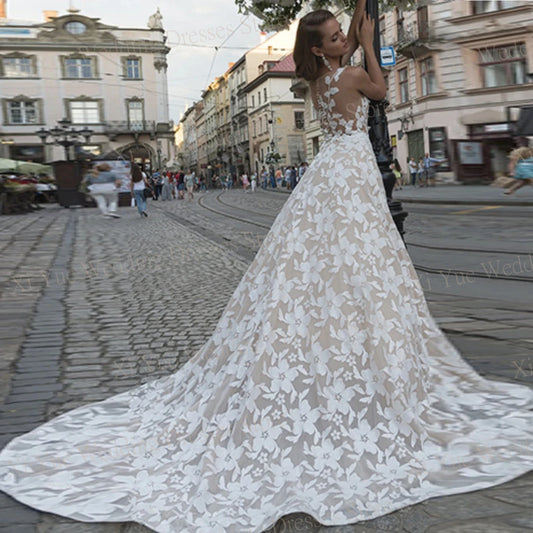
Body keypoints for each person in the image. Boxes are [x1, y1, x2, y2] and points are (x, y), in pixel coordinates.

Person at [1, 6, 532, 533]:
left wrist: (357, 33)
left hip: (332, 172)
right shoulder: (348, 71)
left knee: (329, 260)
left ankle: (344, 338)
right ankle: (365, 347)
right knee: (361, 256)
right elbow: (382, 93)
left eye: (341, 35)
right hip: (349, 173)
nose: (343, 40)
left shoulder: (315, 81)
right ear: (323, 48)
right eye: (335, 37)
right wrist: (370, 43)